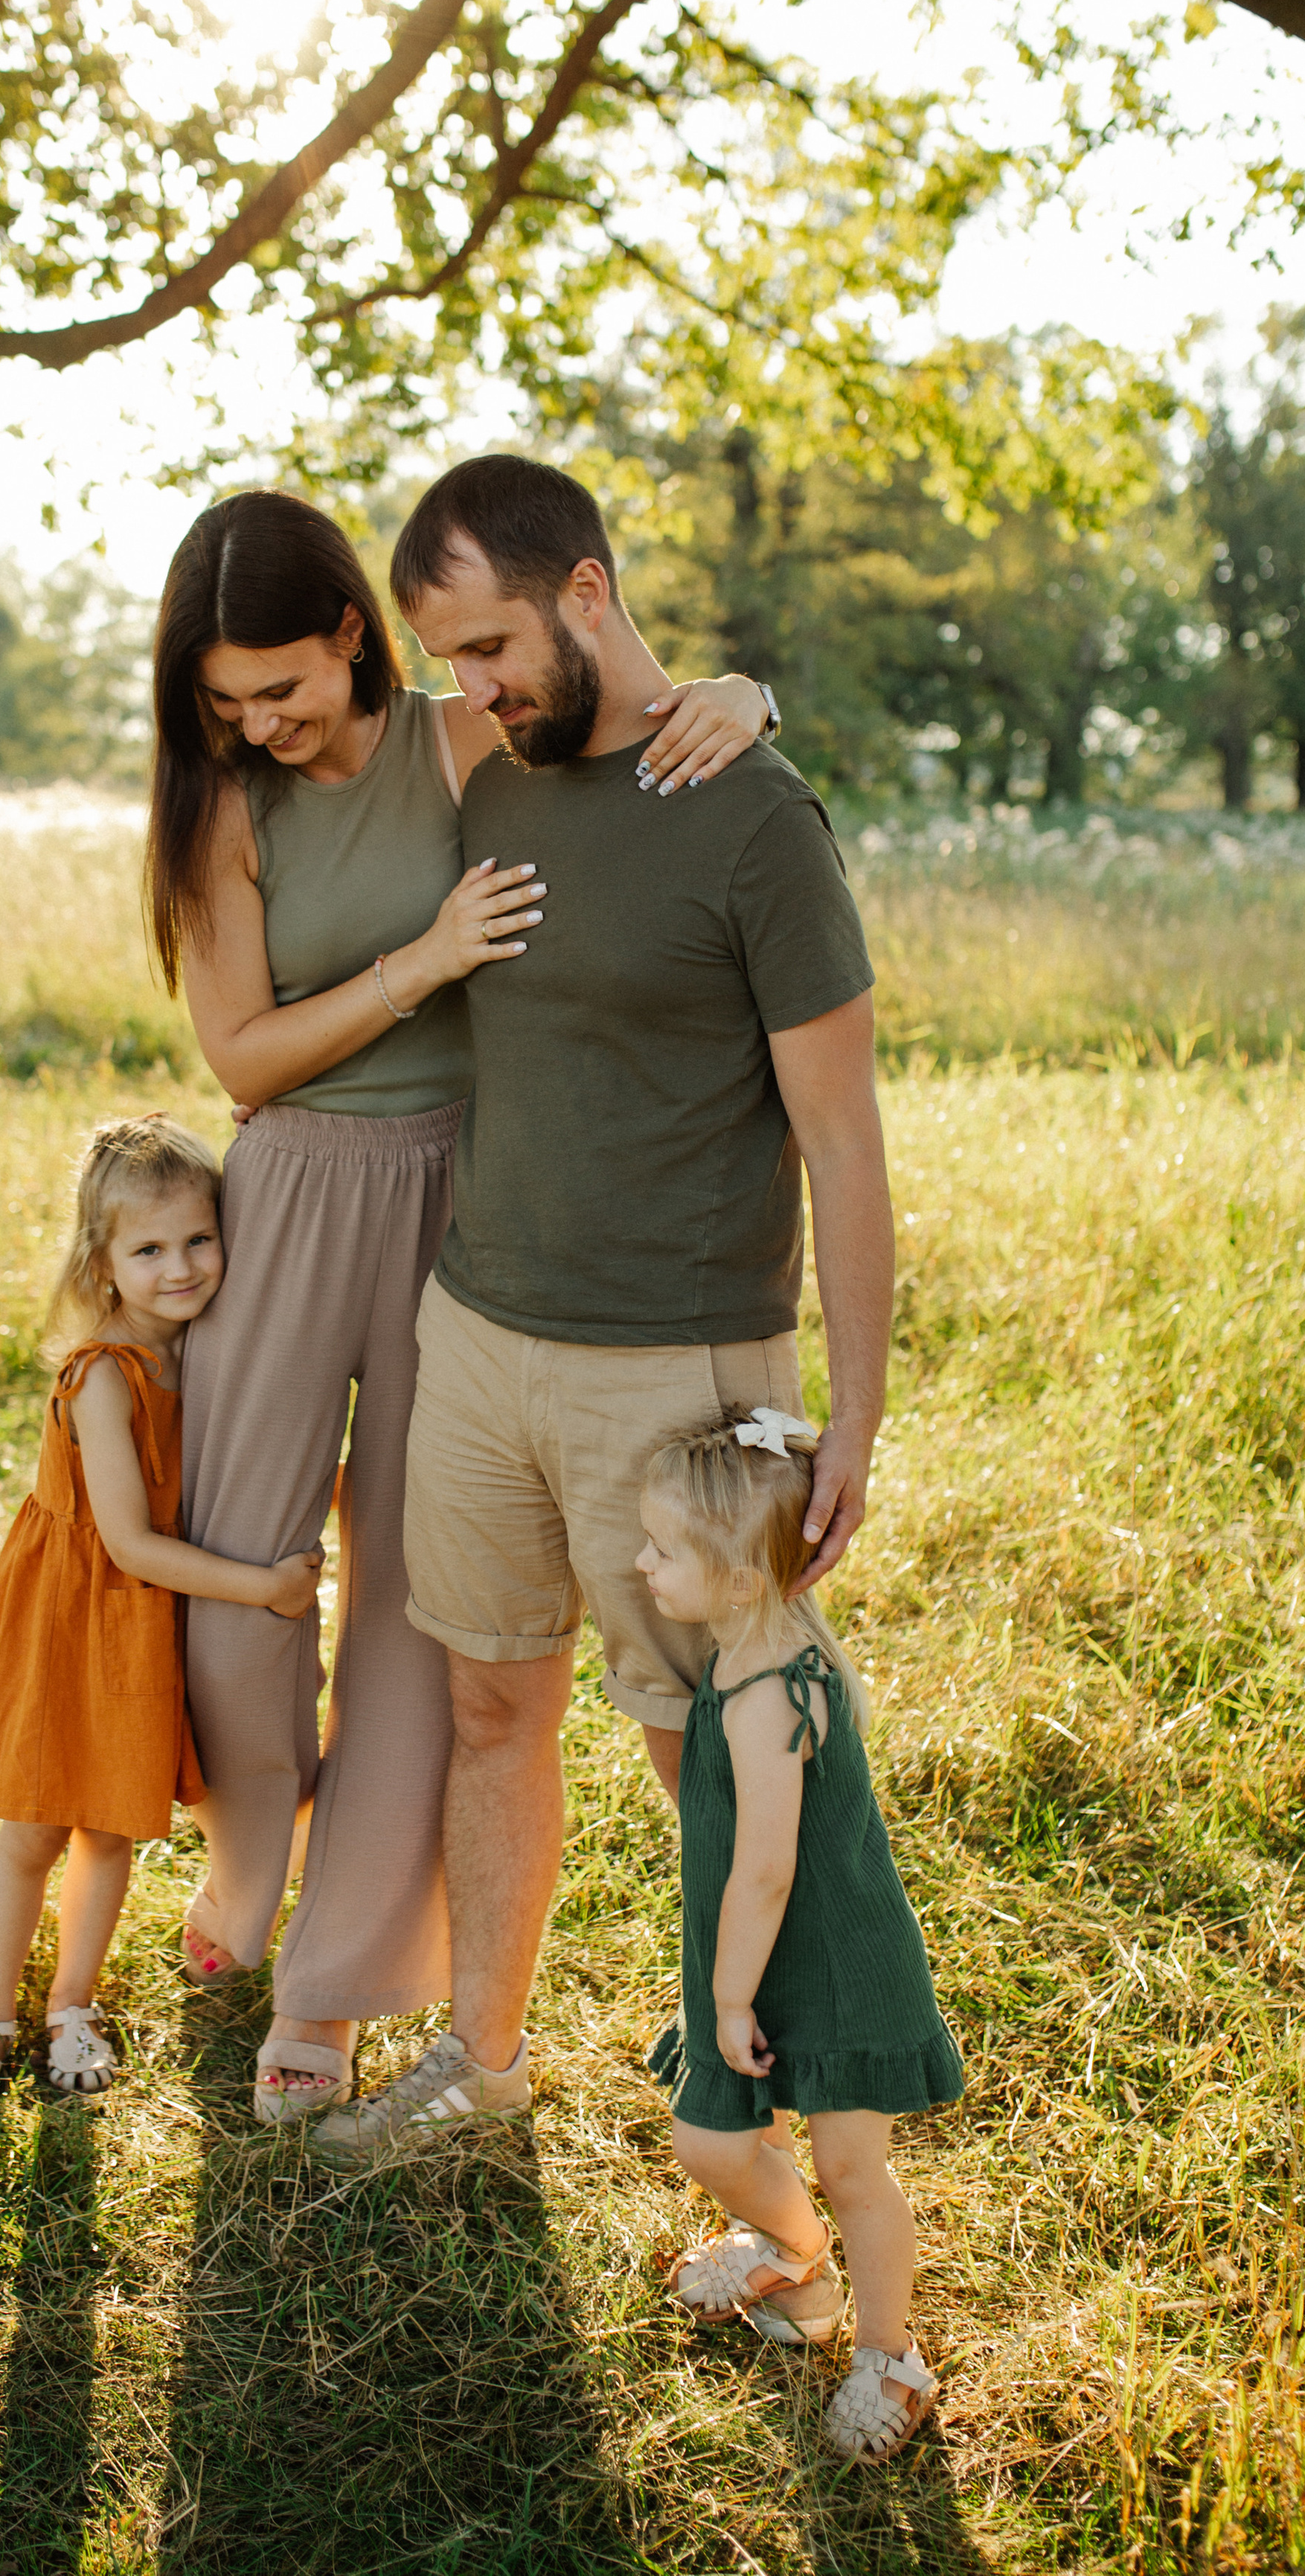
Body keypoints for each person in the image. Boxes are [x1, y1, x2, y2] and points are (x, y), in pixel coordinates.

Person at [148, 490, 775, 2121]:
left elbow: (622, 731)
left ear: (353, 635)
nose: (259, 723)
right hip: (289, 1193)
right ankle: (240, 1866)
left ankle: (336, 1979)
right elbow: (242, 1056)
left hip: (460, 1194)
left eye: (280, 686)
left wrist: (744, 695)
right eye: (225, 702)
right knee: (238, 1581)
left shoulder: (460, 743)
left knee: (413, 1607)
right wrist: (419, 965)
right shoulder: (222, 805)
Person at [310, 455, 892, 2166]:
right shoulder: (490, 771)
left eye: (490, 645)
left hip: (678, 1378)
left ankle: (787, 2141)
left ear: (585, 591)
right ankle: (481, 2060)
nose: (470, 691)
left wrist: (851, 1417)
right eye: (445, 663)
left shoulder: (754, 817)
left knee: (707, 1760)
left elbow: (842, 1143)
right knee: (494, 1707)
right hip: (475, 1338)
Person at [0, 1115, 323, 2100]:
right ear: (102, 1264)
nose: (181, 1267)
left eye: (199, 1240)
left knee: (107, 1829)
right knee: (33, 1828)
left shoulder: (204, 1353)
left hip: (137, 1626)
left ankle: (73, 2005)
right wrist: (267, 1587)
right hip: (73, 1621)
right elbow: (129, 1544)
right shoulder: (105, 1376)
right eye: (148, 1249)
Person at [638, 1408, 961, 2467]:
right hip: (764, 1953)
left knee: (850, 2162)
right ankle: (791, 2253)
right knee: (715, 2138)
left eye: (661, 1548)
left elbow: (769, 1870)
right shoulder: (742, 1653)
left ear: (736, 1579)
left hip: (830, 1964)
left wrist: (730, 2000)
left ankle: (888, 2357)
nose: (641, 1562)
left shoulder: (770, 1697)